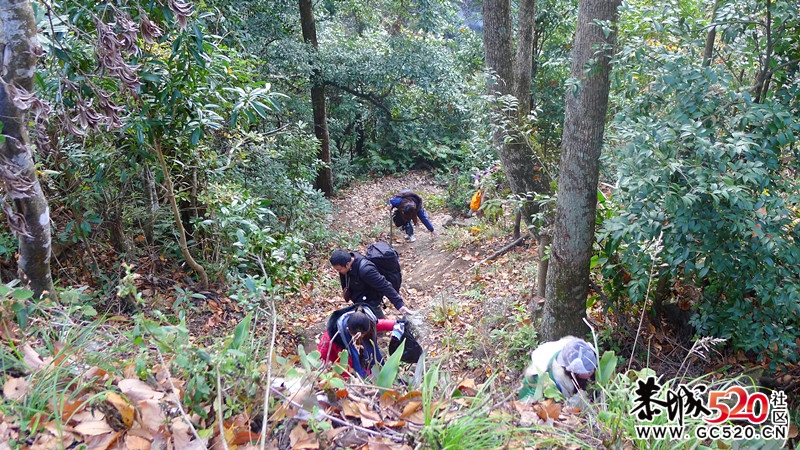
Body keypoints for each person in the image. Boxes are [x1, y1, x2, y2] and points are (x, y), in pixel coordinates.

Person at [330, 248, 413, 319]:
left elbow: (384, 285)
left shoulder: (366, 271)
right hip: (359, 300)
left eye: (339, 270)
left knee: (378, 326)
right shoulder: (345, 264)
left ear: (348, 264)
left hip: (371, 301)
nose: (339, 272)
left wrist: (400, 305)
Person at [317, 304, 395, 378]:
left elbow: (377, 324)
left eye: (363, 335)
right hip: (345, 371)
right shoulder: (332, 337)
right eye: (356, 336)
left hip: (365, 362)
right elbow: (319, 357)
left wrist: (394, 324)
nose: (359, 338)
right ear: (347, 329)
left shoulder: (367, 322)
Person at [522, 336, 598, 399]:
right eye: (587, 371)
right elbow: (529, 399)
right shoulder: (552, 380)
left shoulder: (575, 346)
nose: (591, 371)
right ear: (573, 371)